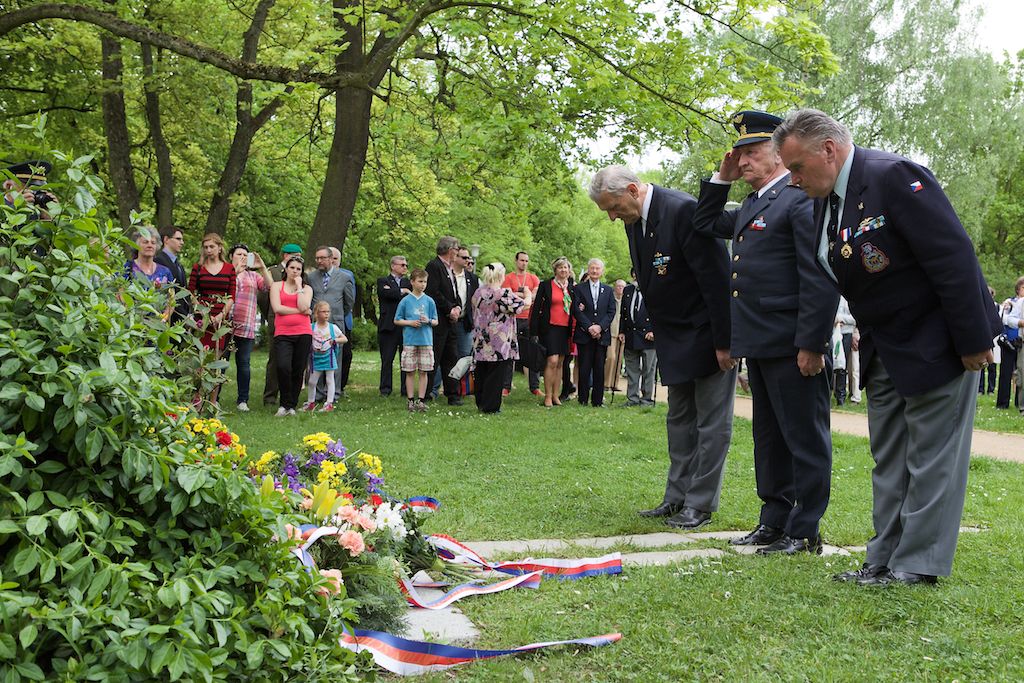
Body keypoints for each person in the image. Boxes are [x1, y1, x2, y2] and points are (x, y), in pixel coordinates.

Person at [775, 108, 1001, 585]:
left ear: (829, 150)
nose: (792, 179)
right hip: (884, 348)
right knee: (891, 460)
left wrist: (975, 338)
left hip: (936, 341)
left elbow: (952, 257)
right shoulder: (825, 201)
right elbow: (829, 274)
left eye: (796, 167)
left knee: (932, 458)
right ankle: (882, 558)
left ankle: (917, 564)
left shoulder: (893, 177)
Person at [692, 110, 838, 555]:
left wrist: (811, 343)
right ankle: (774, 519)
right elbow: (703, 224)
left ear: (778, 155)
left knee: (804, 438)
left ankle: (805, 527)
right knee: (769, 439)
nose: (744, 162)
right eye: (740, 155)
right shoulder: (753, 204)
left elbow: (818, 276)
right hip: (759, 341)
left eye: (752, 153)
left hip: (793, 343)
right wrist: (720, 178)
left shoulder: (798, 200)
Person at [590, 165, 734, 531]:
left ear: (634, 190)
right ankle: (676, 497)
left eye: (614, 207)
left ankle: (700, 504)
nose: (611, 217)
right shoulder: (633, 220)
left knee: (711, 423)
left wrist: (725, 342)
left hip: (705, 333)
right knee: (679, 420)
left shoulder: (683, 210)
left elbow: (717, 278)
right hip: (672, 337)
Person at [471, 262, 528, 413]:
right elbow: (522, 306)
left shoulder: (478, 292)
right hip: (498, 341)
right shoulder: (502, 293)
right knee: (496, 374)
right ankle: (491, 406)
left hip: (480, 338)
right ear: (501, 275)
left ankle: (481, 402)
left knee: (481, 371)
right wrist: (528, 294)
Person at [188, 233, 236, 407]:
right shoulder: (198, 268)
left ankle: (213, 402)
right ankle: (197, 401)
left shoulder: (229, 268)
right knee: (200, 363)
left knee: (215, 363)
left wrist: (221, 315)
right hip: (202, 320)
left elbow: (231, 296)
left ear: (219, 247)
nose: (209, 250)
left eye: (212, 247)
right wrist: (203, 312)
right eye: (206, 247)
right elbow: (191, 292)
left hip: (220, 321)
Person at [228, 243, 272, 412]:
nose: (243, 258)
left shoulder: (253, 276)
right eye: (239, 254)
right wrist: (236, 271)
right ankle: (213, 398)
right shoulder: (226, 272)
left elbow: (269, 286)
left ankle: (242, 400)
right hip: (225, 324)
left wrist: (262, 267)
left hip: (245, 326)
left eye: (246, 255)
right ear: (231, 256)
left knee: (244, 363)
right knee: (221, 363)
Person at [259, 244, 304, 406]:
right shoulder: (273, 272)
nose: (299, 259)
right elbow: (263, 298)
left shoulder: (301, 272)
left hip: (299, 323)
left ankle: (290, 397)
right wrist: (271, 315)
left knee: (295, 361)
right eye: (295, 255)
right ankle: (270, 396)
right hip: (277, 321)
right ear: (286, 255)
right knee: (276, 360)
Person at [309, 246, 354, 404]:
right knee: (317, 357)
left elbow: (349, 302)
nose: (319, 261)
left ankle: (333, 394)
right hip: (317, 326)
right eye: (317, 258)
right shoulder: (311, 277)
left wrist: (336, 314)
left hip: (335, 323)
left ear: (330, 259)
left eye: (322, 258)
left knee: (334, 360)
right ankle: (318, 394)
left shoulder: (344, 277)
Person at [270, 255, 313, 416]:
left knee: (298, 369)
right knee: (283, 366)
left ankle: (291, 405)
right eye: (292, 268)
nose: (295, 271)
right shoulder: (276, 286)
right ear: (286, 269)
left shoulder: (306, 289)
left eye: (298, 269)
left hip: (303, 332)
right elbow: (277, 308)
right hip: (283, 333)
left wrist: (299, 286)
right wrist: (301, 312)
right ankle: (283, 403)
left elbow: (305, 305)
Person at [531, 257, 575, 407]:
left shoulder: (572, 288)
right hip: (549, 328)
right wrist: (534, 331)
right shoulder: (546, 285)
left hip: (565, 329)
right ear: (555, 270)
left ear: (569, 271)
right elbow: (536, 308)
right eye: (560, 267)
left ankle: (556, 395)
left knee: (561, 363)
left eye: (566, 268)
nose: (563, 270)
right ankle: (548, 396)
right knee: (552, 361)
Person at [572, 258, 617, 407]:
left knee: (599, 368)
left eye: (597, 268)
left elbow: (611, 312)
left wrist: (599, 327)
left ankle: (597, 400)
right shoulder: (579, 288)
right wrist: (590, 327)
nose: (595, 271)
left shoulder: (608, 290)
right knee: (584, 367)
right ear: (588, 269)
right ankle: (583, 399)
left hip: (601, 336)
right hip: (585, 334)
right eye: (592, 268)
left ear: (602, 271)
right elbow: (576, 310)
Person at [425, 236, 464, 405]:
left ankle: (453, 394)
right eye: (457, 249)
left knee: (451, 359)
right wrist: (449, 309)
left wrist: (457, 307)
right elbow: (433, 292)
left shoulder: (450, 269)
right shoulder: (434, 266)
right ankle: (426, 394)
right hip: (439, 321)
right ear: (450, 250)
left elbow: (453, 293)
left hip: (451, 322)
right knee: (435, 359)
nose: (458, 252)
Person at [394, 268, 438, 412]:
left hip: (426, 340)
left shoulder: (429, 301)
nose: (423, 284)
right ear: (412, 282)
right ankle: (410, 400)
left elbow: (436, 321)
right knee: (410, 371)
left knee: (424, 371)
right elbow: (397, 320)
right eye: (420, 281)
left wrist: (429, 321)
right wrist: (410, 323)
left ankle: (421, 400)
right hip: (410, 340)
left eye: (425, 281)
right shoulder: (405, 301)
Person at [502, 251, 542, 396]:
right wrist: (526, 294)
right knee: (509, 352)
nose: (524, 263)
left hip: (530, 319)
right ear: (516, 261)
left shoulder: (533, 278)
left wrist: (518, 294)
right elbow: (506, 295)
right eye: (522, 260)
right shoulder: (508, 278)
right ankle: (506, 386)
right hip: (513, 319)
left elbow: (536, 295)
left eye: (526, 261)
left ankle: (535, 386)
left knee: (533, 351)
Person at [619, 272, 656, 406]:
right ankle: (632, 398)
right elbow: (623, 312)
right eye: (635, 273)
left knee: (648, 369)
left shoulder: (654, 288)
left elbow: (659, 312)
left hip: (648, 337)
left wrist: (654, 331)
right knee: (632, 369)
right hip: (631, 335)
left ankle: (646, 399)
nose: (637, 276)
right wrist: (622, 331)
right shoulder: (628, 289)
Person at [377, 255, 411, 397]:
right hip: (388, 326)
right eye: (402, 265)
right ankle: (385, 389)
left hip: (405, 326)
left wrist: (399, 292)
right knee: (387, 359)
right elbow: (386, 294)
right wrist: (401, 291)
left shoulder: (408, 282)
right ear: (393, 266)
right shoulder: (382, 281)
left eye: (406, 265)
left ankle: (405, 389)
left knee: (406, 360)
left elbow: (411, 297)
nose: (405, 268)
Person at [304, 301, 348, 413]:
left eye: (328, 312)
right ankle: (311, 402)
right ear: (316, 313)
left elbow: (344, 338)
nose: (326, 314)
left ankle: (329, 403)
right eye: (323, 312)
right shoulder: (311, 327)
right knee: (312, 381)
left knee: (330, 379)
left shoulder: (333, 328)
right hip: (316, 358)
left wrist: (335, 340)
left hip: (329, 357)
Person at [329, 246, 356, 395]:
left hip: (344, 320)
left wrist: (343, 314)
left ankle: (341, 386)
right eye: (330, 258)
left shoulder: (347, 275)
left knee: (346, 355)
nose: (333, 261)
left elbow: (350, 299)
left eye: (335, 258)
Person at [996, 277, 1024, 409]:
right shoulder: (1010, 302)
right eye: (1023, 288)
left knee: (1021, 373)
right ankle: (1002, 403)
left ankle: (1020, 402)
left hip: (1021, 342)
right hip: (1009, 341)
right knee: (1005, 373)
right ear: (1018, 289)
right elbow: (1004, 319)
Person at [154, 226, 191, 324]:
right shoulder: (159, 261)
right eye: (178, 239)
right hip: (168, 318)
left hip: (180, 320)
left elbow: (183, 291)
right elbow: (166, 294)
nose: (182, 242)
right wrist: (184, 316)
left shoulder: (178, 264)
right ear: (166, 239)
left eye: (182, 239)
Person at [834, 296, 857, 405]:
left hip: (846, 334)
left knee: (842, 367)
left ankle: (841, 396)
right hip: (832, 333)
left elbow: (854, 318)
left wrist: (839, 318)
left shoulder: (848, 298)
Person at [604, 279, 626, 392]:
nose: (620, 288)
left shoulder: (625, 300)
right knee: (611, 357)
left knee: (618, 360)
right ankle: (606, 383)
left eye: (622, 287)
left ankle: (614, 383)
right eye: (618, 286)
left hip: (621, 333)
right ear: (615, 287)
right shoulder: (610, 298)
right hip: (611, 332)